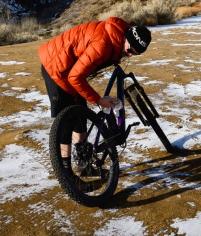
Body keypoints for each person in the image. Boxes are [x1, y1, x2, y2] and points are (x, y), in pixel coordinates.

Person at [39, 17, 151, 165]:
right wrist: (98, 100)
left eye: (134, 54)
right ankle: (66, 171)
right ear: (125, 38)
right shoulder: (103, 45)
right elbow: (75, 77)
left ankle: (82, 160)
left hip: (69, 67)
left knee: (80, 114)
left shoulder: (118, 35)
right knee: (66, 122)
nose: (129, 55)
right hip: (56, 67)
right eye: (129, 50)